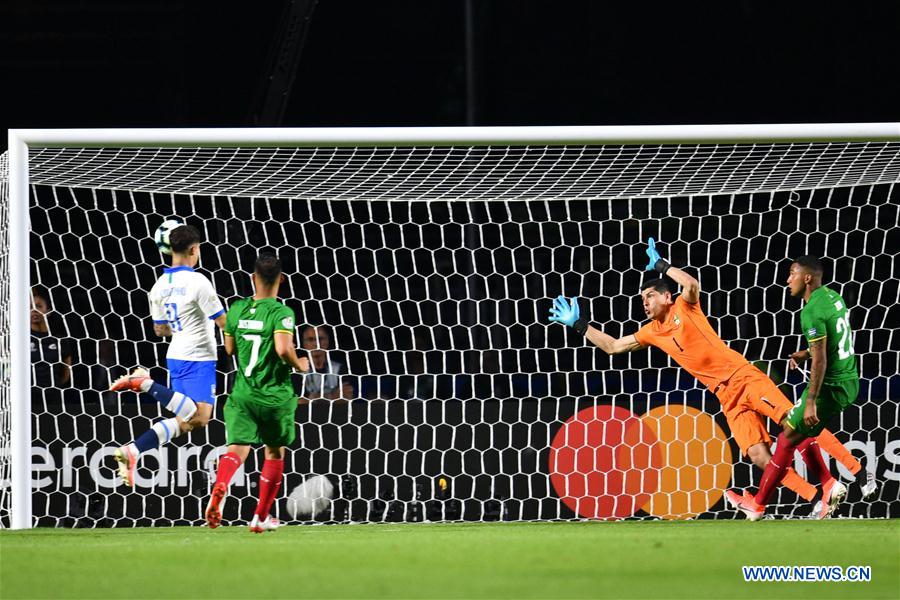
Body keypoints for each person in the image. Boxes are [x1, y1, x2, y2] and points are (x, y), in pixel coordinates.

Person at [549, 239, 872, 517]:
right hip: (725, 394)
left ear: (666, 297)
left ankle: (856, 474)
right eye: (642, 299)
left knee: (797, 422)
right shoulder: (651, 332)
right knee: (759, 455)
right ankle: (817, 498)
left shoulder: (686, 307)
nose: (644, 303)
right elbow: (614, 346)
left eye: (649, 296)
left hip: (743, 376)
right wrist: (579, 326)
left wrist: (662, 265)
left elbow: (690, 284)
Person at [726, 255, 873, 520]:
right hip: (851, 379)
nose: (788, 279)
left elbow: (822, 358)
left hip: (831, 385)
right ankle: (833, 485)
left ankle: (760, 504)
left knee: (786, 437)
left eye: (792, 273)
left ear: (807, 278)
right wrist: (805, 353)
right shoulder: (833, 297)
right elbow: (832, 342)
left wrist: (811, 400)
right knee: (795, 433)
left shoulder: (810, 312)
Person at [108, 224, 226, 486]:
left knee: (186, 422)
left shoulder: (160, 285)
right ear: (194, 249)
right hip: (199, 356)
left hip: (176, 354)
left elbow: (160, 329)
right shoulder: (198, 281)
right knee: (201, 417)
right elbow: (223, 323)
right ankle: (144, 383)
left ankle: (133, 450)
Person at [205, 253, 310, 532]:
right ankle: (260, 516)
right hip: (274, 395)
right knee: (274, 452)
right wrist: (299, 364)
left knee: (237, 448)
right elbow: (282, 349)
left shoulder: (237, 309)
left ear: (253, 278)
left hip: (242, 392)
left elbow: (229, 350)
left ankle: (222, 485)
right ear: (281, 280)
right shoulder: (281, 312)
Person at [296, 324, 354, 404]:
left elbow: (347, 396)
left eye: (320, 339)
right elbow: (298, 401)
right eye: (310, 339)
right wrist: (332, 397)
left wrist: (311, 398)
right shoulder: (297, 370)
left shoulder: (339, 368)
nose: (316, 344)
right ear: (304, 344)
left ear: (327, 341)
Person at [30, 288, 74, 394]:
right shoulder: (20, 339)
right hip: (28, 396)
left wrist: (55, 387)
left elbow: (66, 375)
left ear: (48, 311)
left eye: (39, 306)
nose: (34, 310)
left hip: (53, 398)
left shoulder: (60, 340)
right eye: (30, 307)